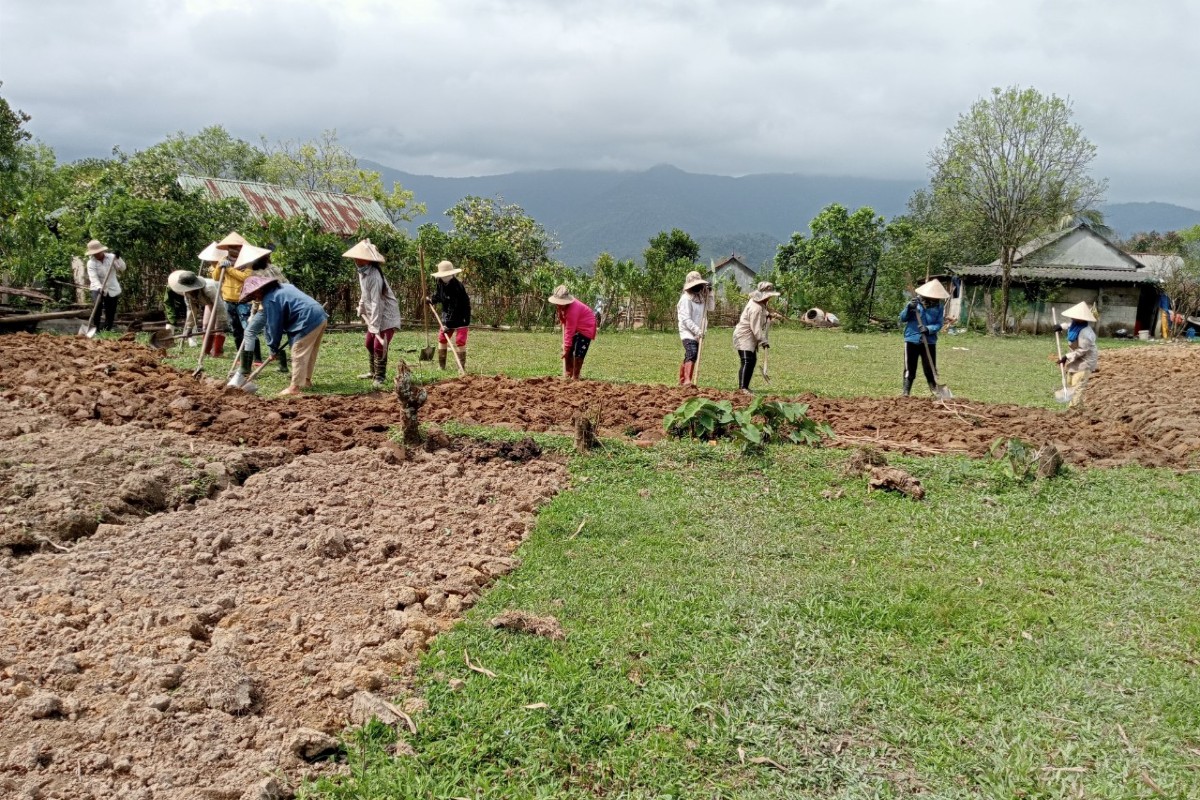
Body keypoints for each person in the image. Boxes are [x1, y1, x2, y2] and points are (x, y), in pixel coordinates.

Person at [238, 274, 327, 396]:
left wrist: (273, 348)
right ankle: (306, 381)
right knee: (310, 351)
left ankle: (294, 388)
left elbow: (274, 326)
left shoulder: (270, 299)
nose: (255, 298)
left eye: (254, 295)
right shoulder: (284, 286)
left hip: (306, 318)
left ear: (259, 289)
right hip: (319, 315)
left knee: (298, 351)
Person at [227, 245, 290, 387]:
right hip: (283, 302)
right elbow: (287, 284)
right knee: (270, 334)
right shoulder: (274, 268)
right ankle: (283, 365)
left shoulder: (254, 275)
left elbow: (257, 296)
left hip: (269, 305)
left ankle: (245, 368)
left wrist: (253, 312)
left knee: (249, 331)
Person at [343, 238, 401, 388]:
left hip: (386, 316)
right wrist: (361, 307)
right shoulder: (362, 272)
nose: (356, 259)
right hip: (375, 314)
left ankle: (380, 377)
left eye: (359, 257)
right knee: (369, 343)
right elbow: (365, 294)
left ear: (368, 260)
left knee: (378, 346)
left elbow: (377, 303)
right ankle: (373, 372)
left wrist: (374, 326)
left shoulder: (375, 276)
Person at [212, 232, 261, 362]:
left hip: (244, 300)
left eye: (236, 247)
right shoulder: (223, 260)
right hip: (228, 299)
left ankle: (256, 358)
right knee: (236, 329)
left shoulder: (248, 262)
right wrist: (220, 267)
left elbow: (246, 277)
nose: (233, 250)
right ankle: (241, 355)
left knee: (248, 329)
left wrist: (229, 269)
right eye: (231, 247)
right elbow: (216, 277)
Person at [900, 279, 949, 396]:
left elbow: (939, 324)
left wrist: (928, 329)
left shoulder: (939, 307)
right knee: (910, 367)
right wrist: (909, 308)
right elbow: (902, 318)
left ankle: (935, 391)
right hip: (912, 339)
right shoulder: (914, 303)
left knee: (930, 367)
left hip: (929, 341)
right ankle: (906, 391)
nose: (934, 298)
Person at [167, 269, 229, 356]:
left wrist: (223, 322)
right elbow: (191, 310)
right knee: (206, 325)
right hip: (208, 302)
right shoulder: (187, 294)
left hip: (221, 299)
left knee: (218, 326)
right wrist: (189, 327)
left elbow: (219, 305)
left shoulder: (208, 288)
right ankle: (206, 350)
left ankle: (217, 352)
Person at [732, 281, 779, 394]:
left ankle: (745, 387)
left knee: (752, 361)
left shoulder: (759, 304)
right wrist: (763, 341)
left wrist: (768, 314)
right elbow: (756, 328)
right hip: (744, 336)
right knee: (747, 361)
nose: (769, 298)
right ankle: (742, 388)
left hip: (749, 336)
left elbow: (762, 313)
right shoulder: (756, 308)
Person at [428, 260, 471, 371]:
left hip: (462, 316)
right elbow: (439, 296)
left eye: (447, 275)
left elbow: (454, 307)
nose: (445, 277)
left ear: (451, 274)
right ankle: (441, 366)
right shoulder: (440, 283)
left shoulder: (457, 287)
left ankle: (461, 368)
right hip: (447, 315)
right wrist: (432, 300)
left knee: (460, 341)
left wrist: (448, 324)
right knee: (442, 338)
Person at [548, 285, 597, 379]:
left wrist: (566, 347)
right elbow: (563, 318)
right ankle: (568, 373)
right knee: (569, 350)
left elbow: (569, 329)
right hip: (576, 326)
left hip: (586, 326)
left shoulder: (573, 310)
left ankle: (575, 376)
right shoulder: (560, 306)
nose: (559, 304)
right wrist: (567, 347)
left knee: (578, 351)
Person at [1057, 301, 1098, 408]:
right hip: (1075, 359)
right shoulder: (1076, 325)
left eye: (1075, 316)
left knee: (1077, 386)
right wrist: (1060, 326)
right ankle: (1079, 408)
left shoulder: (1086, 332)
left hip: (1085, 361)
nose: (1072, 318)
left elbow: (1082, 350)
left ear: (1082, 318)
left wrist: (1066, 357)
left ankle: (1074, 410)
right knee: (1070, 383)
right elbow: (1068, 325)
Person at [677, 270, 713, 386]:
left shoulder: (701, 298)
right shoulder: (685, 299)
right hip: (687, 331)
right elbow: (686, 319)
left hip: (699, 331)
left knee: (691, 354)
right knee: (692, 351)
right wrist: (697, 331)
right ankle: (687, 381)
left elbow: (711, 308)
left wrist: (710, 294)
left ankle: (682, 380)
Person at [84, 239, 127, 332]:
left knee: (110, 309)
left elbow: (122, 268)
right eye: (94, 253)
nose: (97, 254)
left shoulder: (112, 257)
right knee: (97, 306)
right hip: (97, 287)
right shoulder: (91, 263)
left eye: (98, 252)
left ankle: (107, 329)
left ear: (102, 250)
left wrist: (118, 258)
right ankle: (95, 328)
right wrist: (99, 287)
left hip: (112, 287)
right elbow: (93, 277)